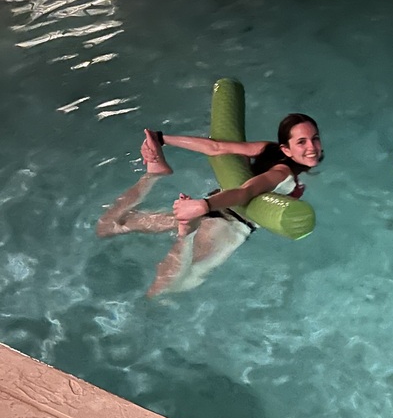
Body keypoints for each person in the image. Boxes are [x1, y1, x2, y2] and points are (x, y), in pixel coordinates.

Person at [96, 114, 322, 297]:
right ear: (286, 149)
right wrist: (203, 206)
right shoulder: (283, 174)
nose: (312, 147)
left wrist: (161, 138)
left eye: (315, 138)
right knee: (166, 289)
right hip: (226, 227)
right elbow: (246, 192)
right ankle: (187, 233)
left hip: (210, 211)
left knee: (108, 226)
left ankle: (153, 175)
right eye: (301, 142)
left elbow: (215, 147)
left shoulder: (268, 149)